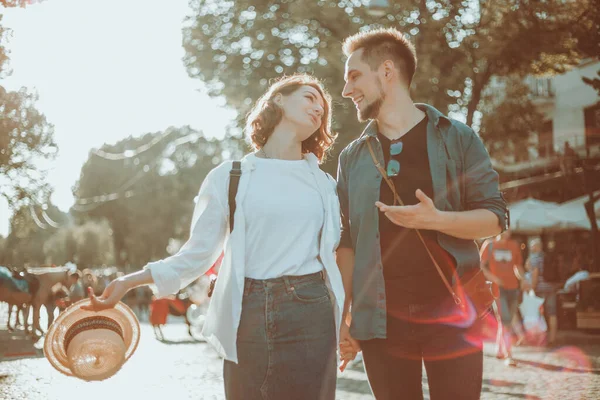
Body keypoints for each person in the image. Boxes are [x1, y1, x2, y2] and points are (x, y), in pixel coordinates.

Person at [82, 74, 346, 400]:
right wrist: (126, 283)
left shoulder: (324, 184)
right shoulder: (230, 176)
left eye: (323, 106)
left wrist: (351, 321)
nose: (319, 107)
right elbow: (197, 254)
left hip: (310, 311)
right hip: (247, 311)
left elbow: (341, 254)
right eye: (310, 97)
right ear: (278, 99)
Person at [336, 28, 508, 399]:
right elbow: (345, 239)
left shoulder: (457, 137)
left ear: (386, 71)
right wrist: (345, 315)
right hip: (380, 323)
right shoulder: (352, 156)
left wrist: (438, 220)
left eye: (354, 76)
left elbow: (494, 217)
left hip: (455, 314)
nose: (346, 90)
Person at [480, 230, 525, 366]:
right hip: (498, 289)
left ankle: (499, 350)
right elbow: (481, 266)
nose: (507, 232)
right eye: (504, 229)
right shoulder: (490, 245)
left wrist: (524, 280)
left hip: (514, 288)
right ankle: (508, 354)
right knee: (506, 321)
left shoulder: (514, 245)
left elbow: (518, 266)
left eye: (509, 229)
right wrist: (495, 279)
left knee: (506, 320)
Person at [524, 238, 558, 346]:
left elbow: (535, 274)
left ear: (537, 246)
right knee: (552, 314)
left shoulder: (534, 258)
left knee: (539, 315)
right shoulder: (547, 257)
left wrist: (532, 289)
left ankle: (541, 340)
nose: (531, 247)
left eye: (532, 245)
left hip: (540, 289)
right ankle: (552, 339)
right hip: (551, 288)